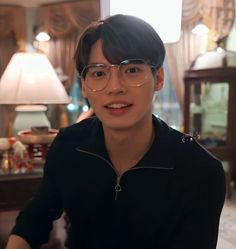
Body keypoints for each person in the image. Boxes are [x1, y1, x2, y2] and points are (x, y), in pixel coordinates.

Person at [6, 14, 225, 249]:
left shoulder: (200, 170)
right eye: (99, 73)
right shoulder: (69, 145)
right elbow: (34, 219)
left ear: (159, 78)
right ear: (85, 86)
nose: (114, 88)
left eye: (131, 70)